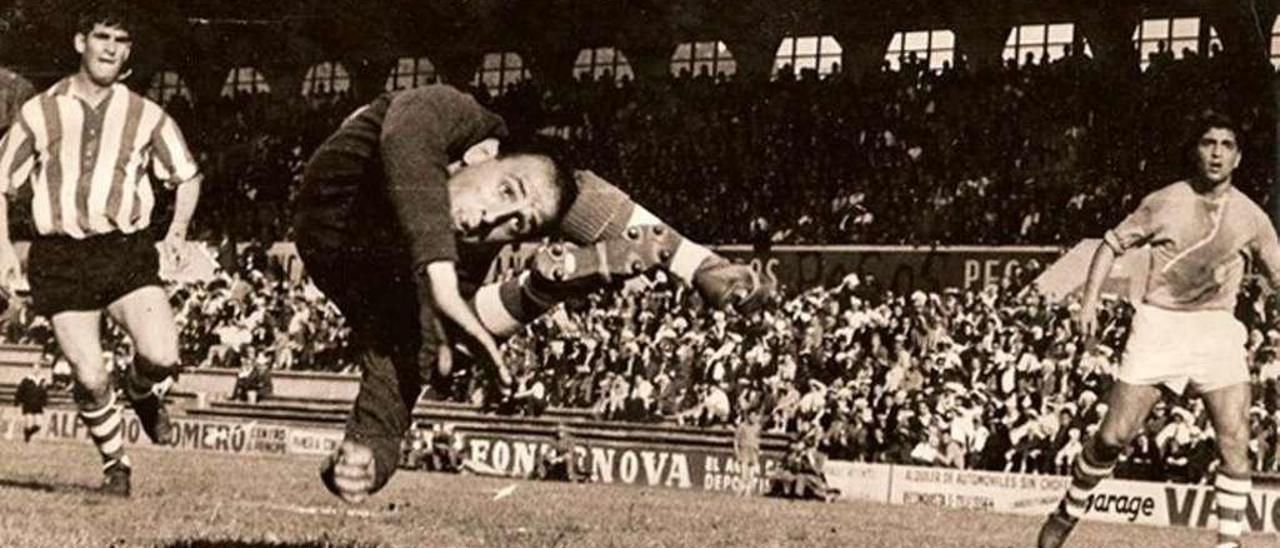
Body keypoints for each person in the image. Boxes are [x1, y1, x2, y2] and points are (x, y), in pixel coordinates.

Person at [293, 83, 770, 503]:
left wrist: (369, 453)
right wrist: (437, 269)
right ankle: (678, 264)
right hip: (350, 200)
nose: (492, 220)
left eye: (515, 226)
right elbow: (408, 135)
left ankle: (553, 284)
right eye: (502, 193)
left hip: (369, 268)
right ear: (480, 155)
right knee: (552, 186)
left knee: (453, 332)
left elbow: (398, 374)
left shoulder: (462, 258)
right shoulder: (448, 111)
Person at [1038, 112, 1280, 548]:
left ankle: (1229, 544)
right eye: (1209, 143)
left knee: (1235, 443)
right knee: (1113, 438)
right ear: (1196, 149)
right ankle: (1069, 508)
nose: (1217, 153)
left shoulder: (1253, 218)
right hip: (1160, 325)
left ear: (1238, 157)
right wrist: (1089, 301)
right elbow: (1110, 244)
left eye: (1227, 145)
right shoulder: (1164, 201)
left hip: (1217, 330)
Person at [0, 6, 201, 497]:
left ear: (129, 51)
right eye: (103, 37)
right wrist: (4, 246)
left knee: (162, 354)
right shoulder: (40, 112)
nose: (111, 48)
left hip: (124, 250)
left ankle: (139, 391)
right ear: (80, 42)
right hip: (61, 255)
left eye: (121, 41)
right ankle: (116, 465)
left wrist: (176, 231)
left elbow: (188, 175)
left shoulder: (145, 114)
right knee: (89, 377)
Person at [14, 366, 48, 442]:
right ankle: (27, 437)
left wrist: (44, 402)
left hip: (38, 405)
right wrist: (17, 401)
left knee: (38, 425)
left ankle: (27, 434)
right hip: (28, 404)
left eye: (38, 368)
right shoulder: (26, 380)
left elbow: (44, 393)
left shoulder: (42, 380)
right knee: (29, 424)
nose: (36, 370)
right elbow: (20, 391)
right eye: (35, 368)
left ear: (40, 370)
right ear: (32, 369)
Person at [733, 410, 762, 495]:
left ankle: (748, 492)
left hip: (753, 451)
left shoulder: (758, 427)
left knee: (751, 474)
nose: (753, 418)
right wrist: (736, 451)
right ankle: (740, 490)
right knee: (743, 473)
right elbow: (736, 440)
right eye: (751, 416)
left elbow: (758, 439)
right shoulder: (742, 426)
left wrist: (758, 450)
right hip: (744, 450)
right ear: (748, 416)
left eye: (755, 416)